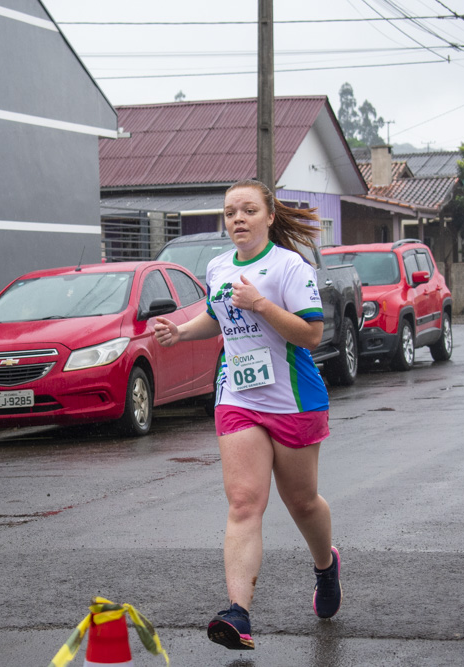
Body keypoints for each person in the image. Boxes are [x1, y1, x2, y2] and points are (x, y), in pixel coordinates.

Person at [153, 179, 340, 651]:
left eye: (248, 210)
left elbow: (312, 335)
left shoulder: (288, 266)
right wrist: (180, 331)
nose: (238, 219)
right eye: (230, 212)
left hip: (293, 399)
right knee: (243, 502)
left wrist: (261, 303)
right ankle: (238, 614)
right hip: (238, 396)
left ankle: (325, 566)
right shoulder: (218, 266)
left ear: (269, 216)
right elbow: (217, 317)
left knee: (302, 501)